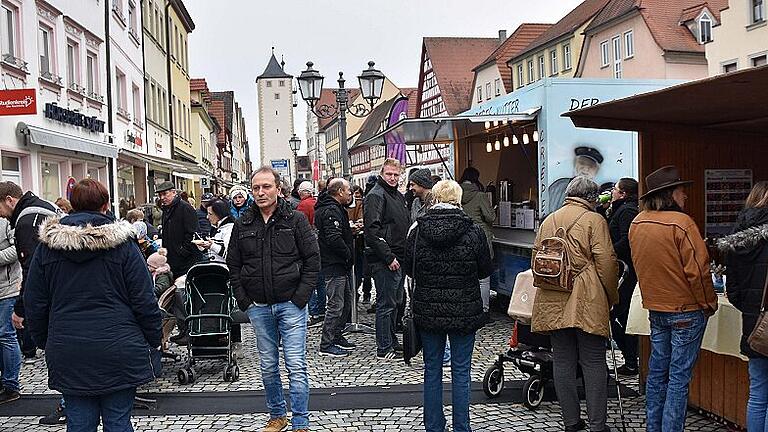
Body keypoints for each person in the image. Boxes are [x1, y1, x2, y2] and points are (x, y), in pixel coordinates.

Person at [23, 179, 162, 432]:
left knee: (79, 423)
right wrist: (154, 337)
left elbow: (34, 302)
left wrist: (46, 340)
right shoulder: (124, 246)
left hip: (68, 347)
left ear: (72, 205)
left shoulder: (47, 248)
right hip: (118, 346)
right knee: (118, 421)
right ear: (106, 205)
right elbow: (144, 298)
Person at [227, 166, 319, 432]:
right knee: (268, 366)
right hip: (258, 306)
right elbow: (233, 264)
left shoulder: (296, 219)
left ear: (278, 189)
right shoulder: (243, 223)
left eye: (266, 187)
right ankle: (277, 415)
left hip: (291, 304)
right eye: (256, 188)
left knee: (296, 365)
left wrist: (301, 297)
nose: (260, 192)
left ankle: (300, 421)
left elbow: (313, 260)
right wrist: (244, 300)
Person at [629, 165, 717, 432]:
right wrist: (709, 303)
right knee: (678, 378)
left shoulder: (638, 222)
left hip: (657, 307)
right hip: (686, 310)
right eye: (681, 191)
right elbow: (699, 272)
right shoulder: (682, 223)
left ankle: (654, 428)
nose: (685, 196)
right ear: (670, 194)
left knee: (657, 375)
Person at [404, 180, 493, 432]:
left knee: (432, 369)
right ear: (458, 199)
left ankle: (434, 426)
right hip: (464, 310)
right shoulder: (473, 231)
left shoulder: (418, 230)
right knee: (461, 371)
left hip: (428, 309)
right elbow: (484, 270)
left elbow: (409, 268)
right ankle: (461, 427)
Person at [531, 176, 619, 432]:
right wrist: (611, 297)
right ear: (591, 198)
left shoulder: (549, 220)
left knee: (562, 361)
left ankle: (571, 421)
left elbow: (536, 259)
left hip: (553, 296)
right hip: (586, 297)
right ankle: (597, 425)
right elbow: (606, 264)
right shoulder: (594, 220)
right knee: (593, 362)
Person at [719, 181, 768, 431]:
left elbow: (733, 292)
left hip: (754, 326)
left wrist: (752, 310)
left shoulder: (736, 239)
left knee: (757, 393)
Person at [0, 182, 59, 366]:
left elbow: (32, 269)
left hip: (53, 294)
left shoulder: (26, 221)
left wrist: (20, 308)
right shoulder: (42, 207)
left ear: (9, 200)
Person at [364, 159, 410, 360]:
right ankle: (384, 347)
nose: (392, 178)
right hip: (385, 259)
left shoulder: (397, 196)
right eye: (389, 174)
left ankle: (391, 341)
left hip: (398, 256)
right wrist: (388, 256)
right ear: (382, 174)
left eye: (396, 174)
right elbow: (372, 231)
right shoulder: (376, 195)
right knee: (386, 304)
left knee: (396, 302)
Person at [316, 178, 356, 357]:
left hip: (338, 263)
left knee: (345, 303)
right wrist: (348, 253)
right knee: (336, 305)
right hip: (334, 264)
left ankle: (337, 335)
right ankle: (327, 343)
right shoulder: (331, 210)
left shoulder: (333, 207)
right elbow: (333, 238)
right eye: (348, 191)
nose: (350, 194)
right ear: (339, 192)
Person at [607, 178, 640, 376]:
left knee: (617, 315)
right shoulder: (620, 209)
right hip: (623, 269)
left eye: (615, 189)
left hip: (626, 272)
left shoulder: (627, 211)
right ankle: (631, 359)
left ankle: (631, 358)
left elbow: (627, 240)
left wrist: (609, 252)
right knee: (620, 315)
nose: (612, 192)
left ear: (624, 193)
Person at [459, 167, 495, 322]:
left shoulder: (457, 193)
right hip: (481, 238)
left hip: (462, 238)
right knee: (483, 278)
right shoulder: (480, 195)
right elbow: (490, 217)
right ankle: (484, 311)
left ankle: (467, 308)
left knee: (467, 275)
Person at [156, 181, 201, 278]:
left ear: (173, 192)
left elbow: (192, 232)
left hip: (186, 260)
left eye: (165, 194)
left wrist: (182, 251)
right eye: (160, 195)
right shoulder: (166, 209)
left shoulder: (185, 208)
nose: (162, 198)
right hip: (172, 258)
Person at [0, 217, 21, 405]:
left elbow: (18, 249)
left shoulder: (6, 223)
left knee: (6, 335)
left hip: (7, 288)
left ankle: (10, 385)